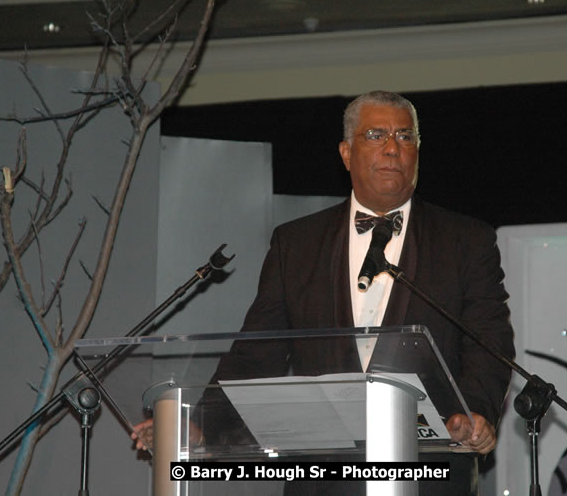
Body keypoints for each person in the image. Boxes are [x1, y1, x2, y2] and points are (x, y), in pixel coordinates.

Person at [134, 91, 515, 495]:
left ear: (418, 151)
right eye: (376, 135)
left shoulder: (465, 241)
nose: (392, 148)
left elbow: (488, 344)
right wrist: (200, 425)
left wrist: (474, 413)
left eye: (405, 137)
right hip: (322, 477)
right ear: (346, 152)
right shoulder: (296, 244)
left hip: (430, 472)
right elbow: (255, 355)